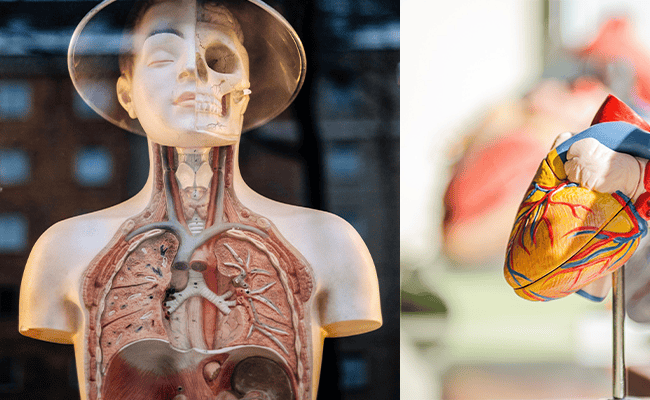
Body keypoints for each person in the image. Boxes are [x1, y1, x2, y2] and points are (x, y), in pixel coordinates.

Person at [19, 1, 382, 399]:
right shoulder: (65, 248)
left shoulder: (330, 243)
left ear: (245, 92)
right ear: (127, 96)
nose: (194, 71)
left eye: (219, 57)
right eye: (162, 58)